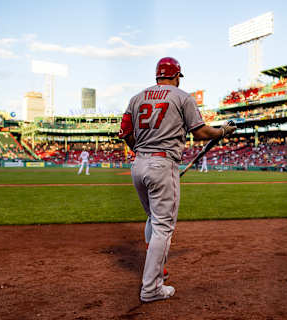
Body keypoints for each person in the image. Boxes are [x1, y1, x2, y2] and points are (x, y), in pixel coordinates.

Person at [119, 57, 236, 303]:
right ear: (177, 75)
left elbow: (126, 133)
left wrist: (142, 151)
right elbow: (201, 131)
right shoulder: (182, 97)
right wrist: (223, 131)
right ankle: (151, 288)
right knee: (163, 226)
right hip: (163, 164)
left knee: (154, 218)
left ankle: (158, 269)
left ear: (157, 75)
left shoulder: (136, 98)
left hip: (139, 163)